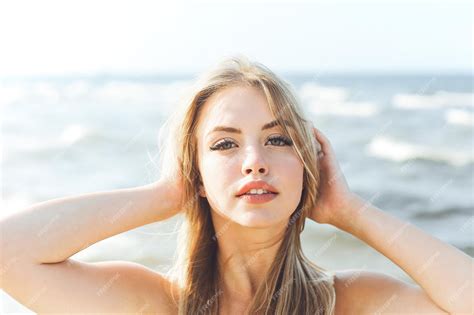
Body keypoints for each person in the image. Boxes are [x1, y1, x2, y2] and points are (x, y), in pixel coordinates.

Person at [0, 55, 471, 315]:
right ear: (196, 173)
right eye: (225, 145)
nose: (255, 163)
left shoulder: (352, 303)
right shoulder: (154, 305)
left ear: (307, 162)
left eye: (278, 139)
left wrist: (349, 211)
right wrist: (167, 196)